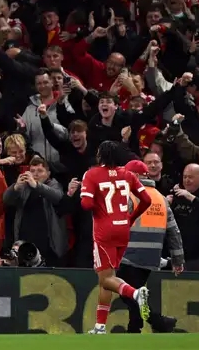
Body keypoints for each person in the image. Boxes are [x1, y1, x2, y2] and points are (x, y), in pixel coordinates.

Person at [80, 141, 153, 335]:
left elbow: (86, 204)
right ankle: (100, 326)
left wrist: (92, 198)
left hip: (104, 231)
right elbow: (146, 200)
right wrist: (131, 218)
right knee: (108, 278)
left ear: (100, 155)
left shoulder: (92, 174)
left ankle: (135, 293)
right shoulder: (127, 174)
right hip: (123, 229)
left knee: (106, 279)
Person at [119, 160, 184, 333]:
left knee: (125, 291)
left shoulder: (129, 195)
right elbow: (174, 232)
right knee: (134, 292)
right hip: (151, 256)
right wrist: (178, 259)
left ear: (135, 176)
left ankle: (159, 322)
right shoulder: (161, 198)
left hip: (130, 253)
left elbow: (117, 224)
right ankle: (135, 327)